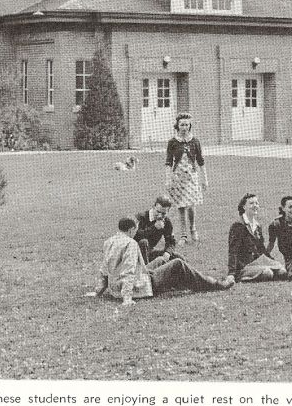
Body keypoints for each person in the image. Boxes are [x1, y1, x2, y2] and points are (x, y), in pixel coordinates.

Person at [89, 218, 232, 307]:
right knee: (177, 264)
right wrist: (127, 298)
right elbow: (129, 271)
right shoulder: (130, 244)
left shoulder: (109, 242)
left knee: (160, 259)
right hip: (137, 286)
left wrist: (98, 292)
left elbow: (104, 270)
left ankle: (183, 281)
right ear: (132, 229)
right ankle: (214, 284)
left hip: (116, 287)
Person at [165, 112, 207, 243]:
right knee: (181, 206)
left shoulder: (195, 141)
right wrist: (168, 179)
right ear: (177, 125)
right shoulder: (172, 142)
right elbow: (168, 162)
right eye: (182, 124)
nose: (184, 127)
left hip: (191, 177)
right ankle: (183, 235)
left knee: (191, 205)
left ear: (190, 126)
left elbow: (200, 161)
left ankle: (193, 228)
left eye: (187, 125)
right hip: (178, 177)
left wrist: (204, 179)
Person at [226, 193, 287, 283]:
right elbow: (233, 251)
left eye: (256, 203)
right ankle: (243, 277)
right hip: (244, 266)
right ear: (244, 207)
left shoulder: (258, 226)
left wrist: (273, 262)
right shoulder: (238, 225)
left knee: (282, 271)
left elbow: (261, 249)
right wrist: (231, 274)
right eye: (251, 203)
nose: (255, 206)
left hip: (257, 263)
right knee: (268, 273)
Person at [134, 195, 181, 265]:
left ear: (168, 211)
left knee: (177, 257)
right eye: (158, 212)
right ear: (153, 207)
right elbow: (136, 236)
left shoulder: (166, 221)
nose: (159, 215)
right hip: (134, 253)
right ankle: (146, 271)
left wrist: (168, 252)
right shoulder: (141, 216)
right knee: (143, 242)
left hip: (149, 252)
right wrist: (154, 228)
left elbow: (171, 241)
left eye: (163, 213)